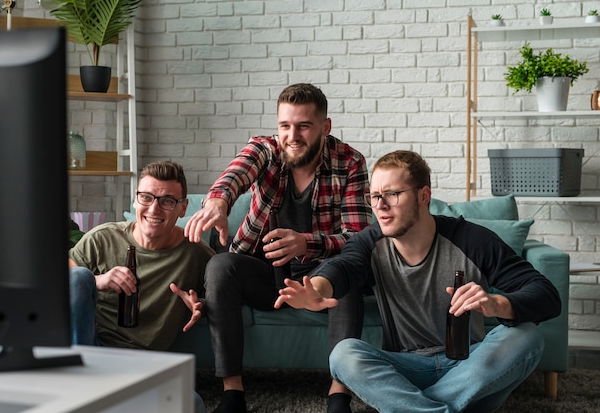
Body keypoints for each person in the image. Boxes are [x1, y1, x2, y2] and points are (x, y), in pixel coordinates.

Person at [274, 150, 562, 413]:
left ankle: (413, 407)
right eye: (374, 196)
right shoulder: (370, 242)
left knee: (527, 335)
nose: (381, 206)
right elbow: (343, 267)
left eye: (392, 194)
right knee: (343, 354)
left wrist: (495, 303)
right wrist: (317, 289)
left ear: (424, 196)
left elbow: (547, 296)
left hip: (470, 367)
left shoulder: (471, 240)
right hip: (404, 370)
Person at [184, 83, 371, 413]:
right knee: (220, 266)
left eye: (304, 126)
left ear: (324, 128)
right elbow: (236, 173)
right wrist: (218, 201)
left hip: (320, 276)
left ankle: (339, 395)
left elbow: (357, 237)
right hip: (266, 273)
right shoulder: (265, 150)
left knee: (348, 275)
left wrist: (305, 242)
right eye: (285, 125)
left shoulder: (351, 163)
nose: (292, 136)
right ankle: (232, 394)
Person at [69, 160, 215, 413]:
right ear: (135, 201)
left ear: (183, 208)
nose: (154, 208)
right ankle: (79, 389)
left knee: (192, 405)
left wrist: (202, 305)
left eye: (167, 200)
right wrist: (97, 282)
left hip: (140, 363)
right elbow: (55, 285)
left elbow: (223, 296)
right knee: (79, 277)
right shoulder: (102, 238)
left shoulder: (197, 255)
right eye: (146, 197)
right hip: (86, 350)